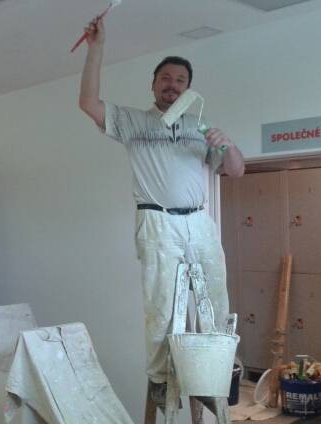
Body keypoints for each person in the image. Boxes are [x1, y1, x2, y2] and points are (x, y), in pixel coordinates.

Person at [78, 18, 245, 389]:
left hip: (198, 221)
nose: (173, 85)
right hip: (157, 221)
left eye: (180, 80)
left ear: (188, 88)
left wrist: (228, 144)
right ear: (154, 84)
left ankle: (217, 370)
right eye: (166, 78)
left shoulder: (200, 127)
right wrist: (96, 49)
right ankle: (162, 378)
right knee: (162, 304)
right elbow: (88, 103)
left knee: (215, 295)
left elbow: (236, 171)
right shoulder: (133, 121)